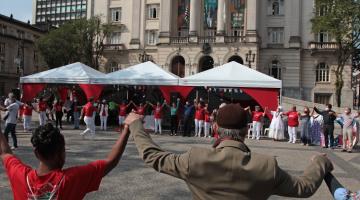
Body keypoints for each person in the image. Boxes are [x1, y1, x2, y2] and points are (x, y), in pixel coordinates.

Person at [125, 104, 334, 200]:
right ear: (245, 131)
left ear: (215, 129)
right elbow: (304, 188)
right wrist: (320, 163)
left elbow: (153, 157)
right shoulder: (266, 166)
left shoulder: (195, 159)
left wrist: (136, 125)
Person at [0, 121, 131, 200]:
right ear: (62, 152)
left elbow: (5, 152)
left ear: (36, 153)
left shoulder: (20, 175)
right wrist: (126, 130)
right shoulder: (70, 179)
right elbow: (111, 161)